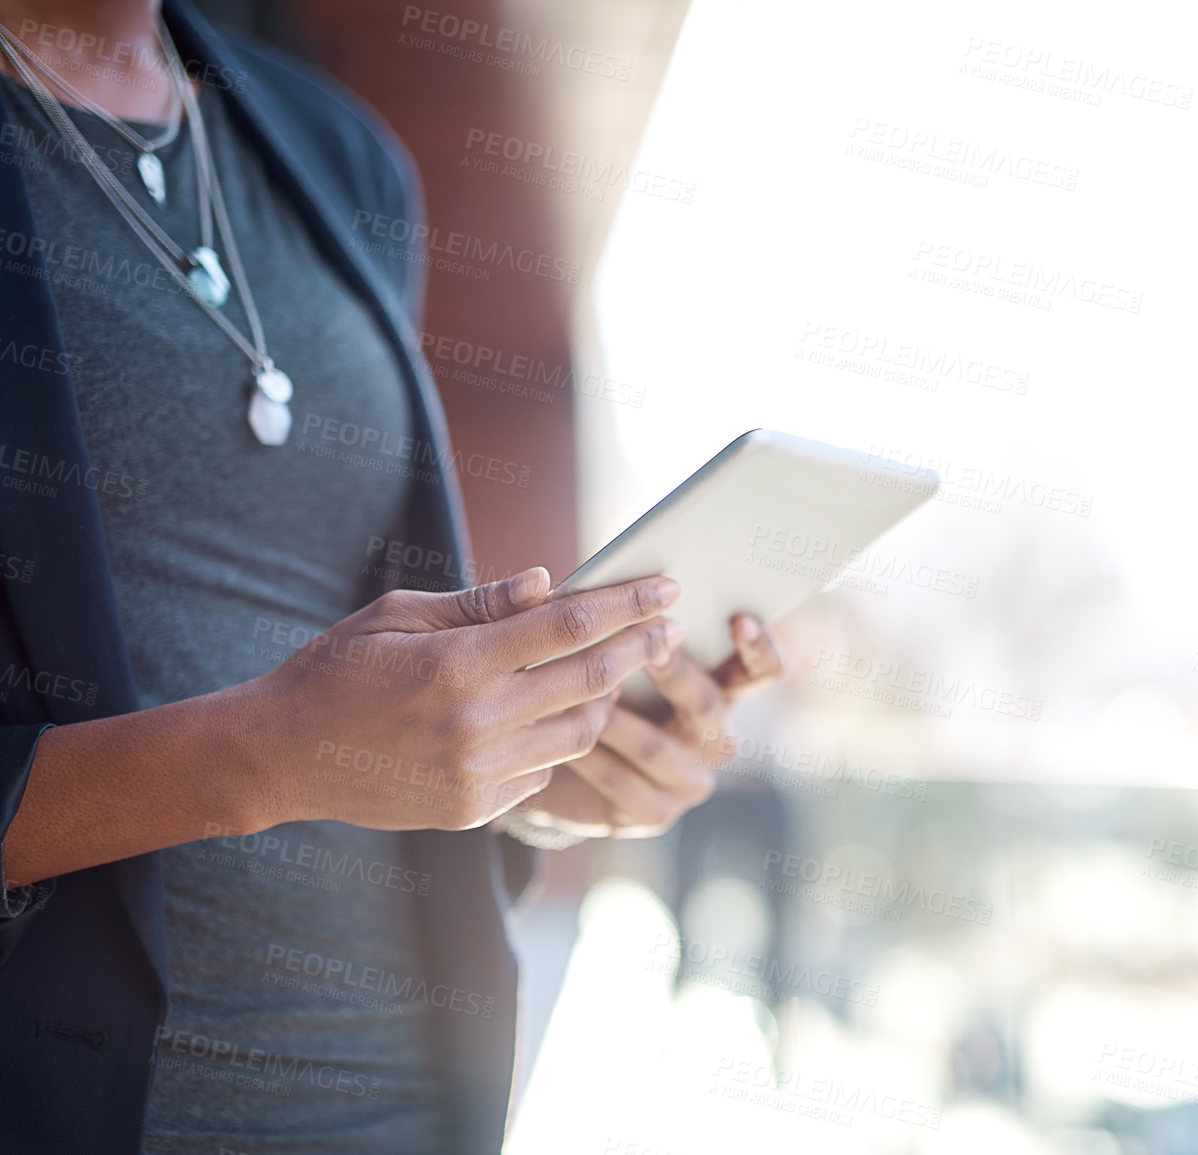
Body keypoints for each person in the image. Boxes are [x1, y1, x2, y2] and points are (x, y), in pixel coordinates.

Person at [0, 1, 783, 1150]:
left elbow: (351, 698)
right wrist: (267, 752)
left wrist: (535, 770)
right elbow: (293, 733)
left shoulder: (337, 148)